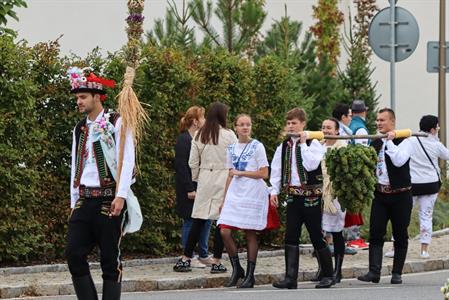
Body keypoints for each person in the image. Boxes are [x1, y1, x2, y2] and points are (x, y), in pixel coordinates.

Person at [66, 67, 141, 300]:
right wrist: (74, 200)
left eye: (83, 97)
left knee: (110, 259)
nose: (79, 101)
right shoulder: (79, 128)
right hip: (85, 199)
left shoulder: (116, 122)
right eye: (77, 97)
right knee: (73, 254)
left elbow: (127, 159)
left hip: (109, 199)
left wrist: (120, 195)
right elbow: (75, 165)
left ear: (97, 97)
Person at [270, 108, 334, 289]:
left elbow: (312, 164)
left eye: (294, 123)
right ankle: (291, 278)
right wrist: (274, 191)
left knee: (316, 235)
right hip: (293, 197)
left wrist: (304, 144)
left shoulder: (314, 143)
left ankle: (329, 275)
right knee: (291, 236)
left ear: (303, 124)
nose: (290, 126)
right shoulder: (284, 146)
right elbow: (276, 169)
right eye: (288, 123)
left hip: (311, 197)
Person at [173, 102, 237, 273]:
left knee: (198, 219)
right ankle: (216, 260)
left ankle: (186, 257)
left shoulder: (200, 134)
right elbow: (235, 159)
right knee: (221, 221)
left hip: (205, 178)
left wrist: (197, 178)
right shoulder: (229, 135)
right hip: (223, 177)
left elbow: (192, 162)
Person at [358, 108, 414, 285]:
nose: (379, 123)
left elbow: (399, 160)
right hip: (381, 194)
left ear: (392, 122)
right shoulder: (375, 142)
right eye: (377, 120)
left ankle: (397, 272)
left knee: (400, 234)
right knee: (376, 233)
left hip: (401, 195)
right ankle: (374, 272)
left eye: (382, 120)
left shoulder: (405, 141)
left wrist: (389, 142)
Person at [218, 114, 270, 288]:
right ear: (235, 127)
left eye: (248, 124)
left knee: (250, 233)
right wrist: (224, 199)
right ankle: (236, 268)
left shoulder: (257, 146)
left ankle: (250, 274)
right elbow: (229, 174)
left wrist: (242, 173)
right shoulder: (231, 148)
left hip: (252, 192)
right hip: (235, 192)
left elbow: (264, 173)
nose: (245, 127)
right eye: (241, 125)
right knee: (224, 230)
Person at [174, 106, 213, 268]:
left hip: (203, 186)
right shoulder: (184, 140)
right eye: (203, 118)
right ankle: (188, 256)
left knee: (206, 220)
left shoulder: (203, 139)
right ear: (195, 122)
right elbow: (182, 167)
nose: (206, 121)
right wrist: (189, 189)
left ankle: (203, 253)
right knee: (190, 221)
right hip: (189, 188)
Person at [409, 115, 449, 258]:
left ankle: (396, 247)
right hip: (430, 185)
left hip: (413, 184)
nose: (438, 129)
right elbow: (447, 156)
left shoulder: (411, 140)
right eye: (437, 126)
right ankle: (424, 250)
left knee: (402, 215)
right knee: (426, 215)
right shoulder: (436, 144)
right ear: (432, 129)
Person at [320, 118, 347, 284]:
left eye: (329, 128)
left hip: (335, 194)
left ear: (337, 131)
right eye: (323, 127)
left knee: (336, 232)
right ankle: (323, 268)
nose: (325, 130)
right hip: (320, 192)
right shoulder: (319, 145)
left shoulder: (341, 147)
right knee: (320, 233)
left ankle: (338, 269)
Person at [345, 100, 369, 250]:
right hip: (356, 172)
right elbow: (362, 153)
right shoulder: (361, 129)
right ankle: (354, 238)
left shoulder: (349, 126)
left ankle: (351, 237)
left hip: (347, 169)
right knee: (355, 205)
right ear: (365, 111)